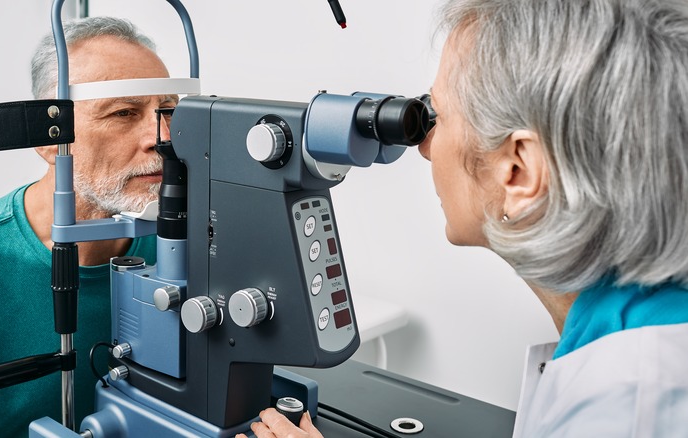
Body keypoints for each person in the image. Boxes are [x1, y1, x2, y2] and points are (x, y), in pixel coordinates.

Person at [242, 0, 688, 436]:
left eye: (436, 115)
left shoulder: (625, 410)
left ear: (519, 172)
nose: (423, 146)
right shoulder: (637, 335)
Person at [0, 16, 177, 437]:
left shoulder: (180, 248)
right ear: (50, 140)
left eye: (169, 111)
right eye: (123, 112)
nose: (162, 136)